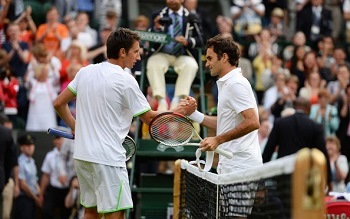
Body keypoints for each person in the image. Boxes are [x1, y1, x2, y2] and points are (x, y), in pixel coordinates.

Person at [53, 27, 196, 219]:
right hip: (108, 159)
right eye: (136, 51)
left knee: (90, 212)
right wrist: (180, 111)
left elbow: (59, 103)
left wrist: (76, 128)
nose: (138, 56)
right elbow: (150, 119)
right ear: (122, 52)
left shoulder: (85, 72)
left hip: (83, 156)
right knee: (116, 215)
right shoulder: (126, 80)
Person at [186, 34, 262, 218]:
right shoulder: (228, 84)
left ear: (225, 57)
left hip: (241, 168)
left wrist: (218, 139)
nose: (207, 63)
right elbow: (227, 123)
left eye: (210, 58)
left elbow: (253, 122)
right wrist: (193, 114)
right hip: (231, 166)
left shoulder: (236, 84)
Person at [146, 0, 204, 111]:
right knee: (153, 62)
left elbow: (201, 39)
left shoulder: (192, 16)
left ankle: (177, 100)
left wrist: (188, 41)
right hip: (162, 54)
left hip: (183, 54)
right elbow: (149, 38)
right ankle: (161, 101)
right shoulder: (158, 15)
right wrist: (156, 28)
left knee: (191, 65)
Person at [39, 135, 71, 219]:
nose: (58, 141)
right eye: (56, 139)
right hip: (54, 189)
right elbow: (46, 175)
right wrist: (41, 193)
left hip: (68, 190)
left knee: (66, 214)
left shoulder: (72, 154)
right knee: (46, 212)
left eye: (60, 139)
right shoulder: (50, 156)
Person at [13, 134, 40, 219]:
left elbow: (34, 180)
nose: (30, 147)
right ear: (21, 147)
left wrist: (39, 193)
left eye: (32, 145)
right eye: (27, 145)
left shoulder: (31, 161)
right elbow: (23, 185)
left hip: (32, 198)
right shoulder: (20, 162)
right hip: (24, 200)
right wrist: (35, 198)